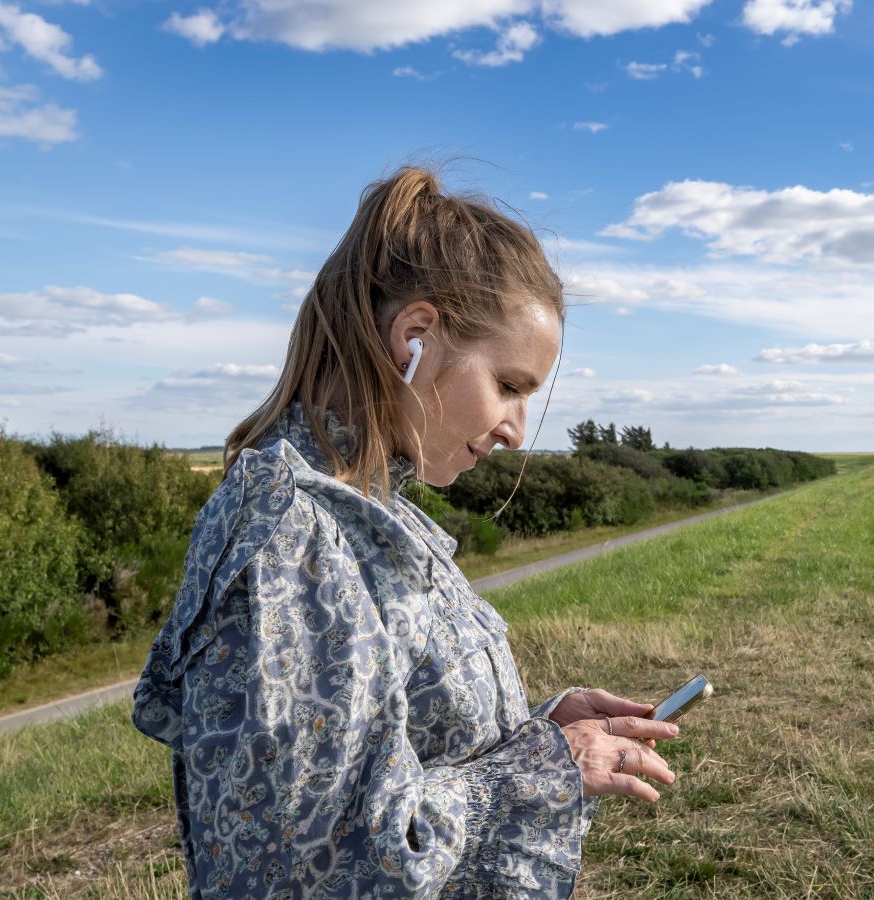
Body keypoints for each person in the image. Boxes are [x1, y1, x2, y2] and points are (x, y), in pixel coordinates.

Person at [131, 165, 678, 899]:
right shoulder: (296, 542)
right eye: (510, 386)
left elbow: (388, 760)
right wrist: (549, 764)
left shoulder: (365, 515)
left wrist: (536, 728)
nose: (516, 430)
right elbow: (301, 876)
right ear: (414, 337)